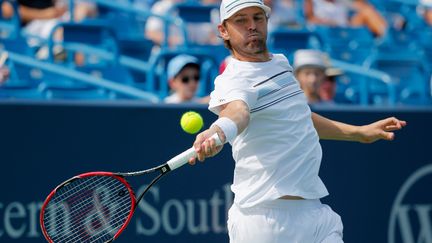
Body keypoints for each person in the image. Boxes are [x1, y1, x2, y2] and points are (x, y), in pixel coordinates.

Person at [186, 0, 406, 242]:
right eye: (241, 20)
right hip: (263, 221)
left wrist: (358, 132)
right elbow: (238, 112)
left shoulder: (280, 63)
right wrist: (218, 131)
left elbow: (299, 116)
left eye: (257, 18)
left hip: (315, 213)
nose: (252, 26)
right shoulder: (233, 79)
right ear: (223, 31)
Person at [305, 0, 387, 37]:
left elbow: (362, 6)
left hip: (347, 29)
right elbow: (310, 19)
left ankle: (386, 36)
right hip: (328, 32)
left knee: (367, 11)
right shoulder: (313, 1)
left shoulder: (342, 1)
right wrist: (329, 22)